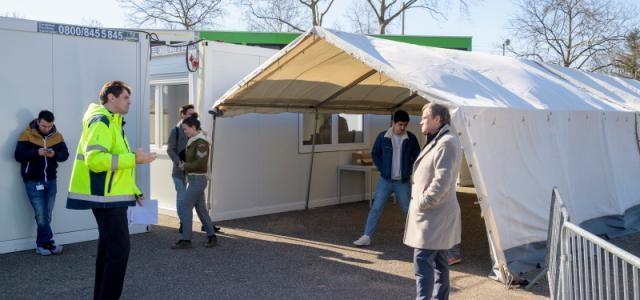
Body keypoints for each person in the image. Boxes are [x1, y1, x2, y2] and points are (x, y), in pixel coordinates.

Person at [66, 80, 157, 300]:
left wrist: (134, 189)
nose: (130, 102)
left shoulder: (114, 123)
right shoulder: (102, 122)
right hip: (106, 199)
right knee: (118, 253)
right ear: (111, 98)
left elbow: (117, 167)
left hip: (111, 198)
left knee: (108, 252)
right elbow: (95, 161)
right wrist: (135, 158)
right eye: (126, 97)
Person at [404, 103, 462, 300]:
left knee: (423, 263)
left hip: (433, 215)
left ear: (438, 119)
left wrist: (423, 202)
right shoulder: (439, 139)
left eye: (425, 117)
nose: (421, 120)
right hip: (436, 215)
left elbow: (442, 181)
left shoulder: (446, 142)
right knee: (439, 263)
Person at [353, 110, 421, 247]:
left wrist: (410, 169)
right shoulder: (382, 137)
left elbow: (418, 157)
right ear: (393, 123)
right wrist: (382, 168)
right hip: (385, 180)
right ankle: (367, 236)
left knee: (407, 210)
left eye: (405, 125)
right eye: (400, 124)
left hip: (403, 182)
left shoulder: (411, 139)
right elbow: (375, 154)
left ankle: (418, 239)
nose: (402, 128)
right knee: (376, 208)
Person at [15, 110, 69, 255]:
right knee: (41, 215)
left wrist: (54, 154)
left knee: (47, 215)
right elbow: (18, 155)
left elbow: (65, 155)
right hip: (32, 181)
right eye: (44, 126)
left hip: (51, 180)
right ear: (38, 121)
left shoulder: (57, 136)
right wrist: (36, 153)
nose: (47, 129)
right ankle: (48, 243)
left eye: (50, 126)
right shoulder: (26, 135)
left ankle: (41, 245)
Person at [171, 113, 218, 249]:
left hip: (198, 179)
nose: (184, 131)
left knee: (185, 206)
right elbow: (194, 160)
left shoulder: (201, 141)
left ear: (193, 127)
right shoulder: (194, 140)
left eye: (186, 129)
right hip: (194, 179)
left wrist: (185, 165)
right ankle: (212, 236)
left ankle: (186, 240)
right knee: (201, 209)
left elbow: (201, 163)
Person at [167, 104, 194, 233]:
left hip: (193, 171)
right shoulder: (175, 131)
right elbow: (170, 150)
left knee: (197, 198)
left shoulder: (194, 130)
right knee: (182, 197)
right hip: (179, 172)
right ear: (182, 114)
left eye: (193, 114)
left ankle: (206, 224)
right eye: (190, 114)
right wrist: (179, 163)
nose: (192, 116)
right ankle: (183, 222)